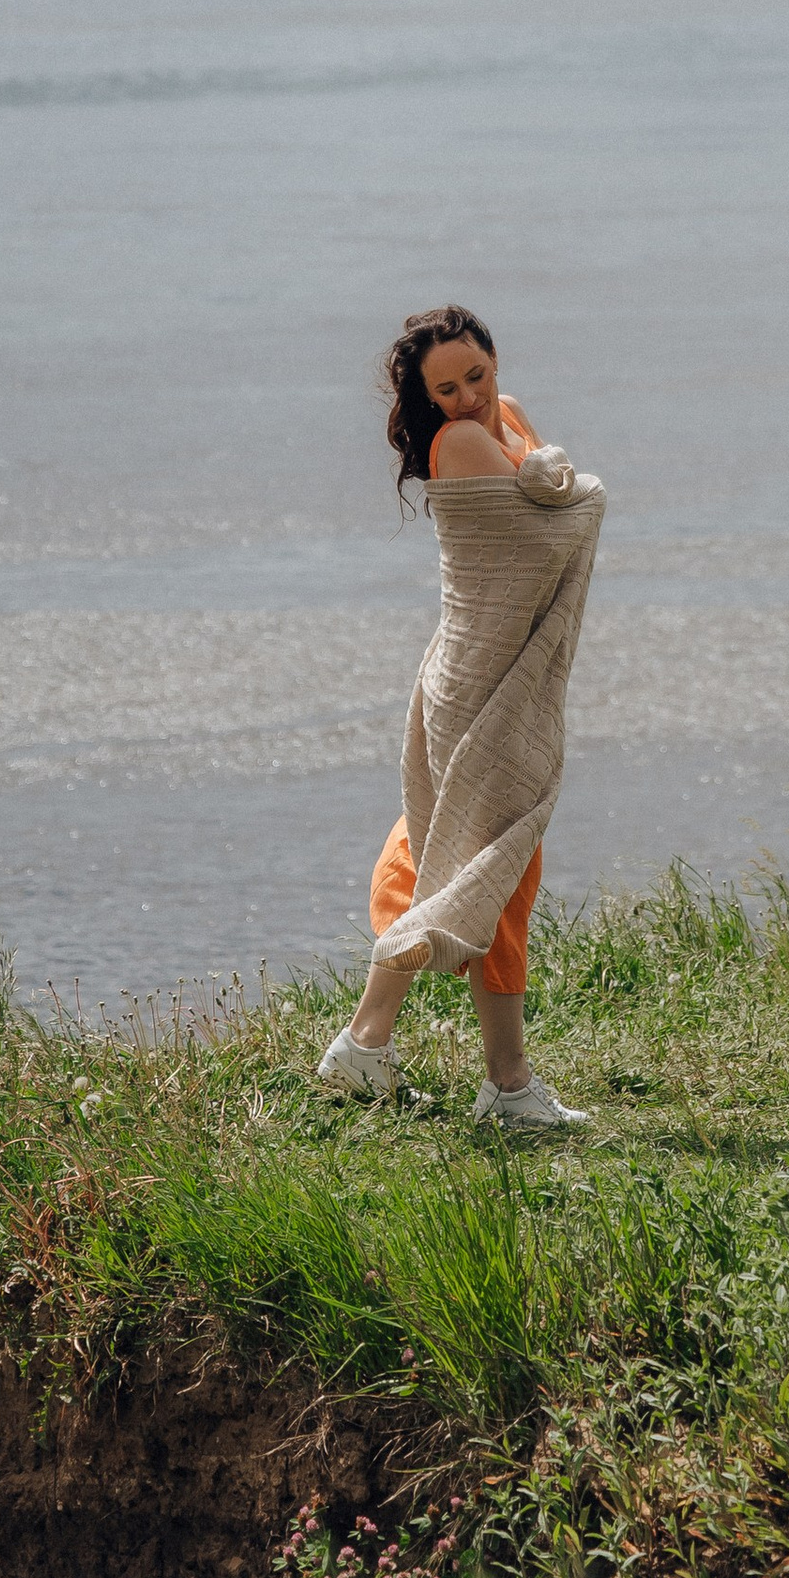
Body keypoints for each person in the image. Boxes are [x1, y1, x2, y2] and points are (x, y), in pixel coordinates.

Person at [317, 304, 600, 1131]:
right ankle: (508, 1089)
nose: (470, 395)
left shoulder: (499, 416)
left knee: (436, 849)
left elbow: (553, 497)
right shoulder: (466, 442)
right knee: (499, 869)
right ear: (428, 397)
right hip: (480, 683)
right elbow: (556, 526)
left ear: (493, 355)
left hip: (479, 671)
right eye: (447, 388)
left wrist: (556, 485)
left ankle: (364, 1045)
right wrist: (562, 483)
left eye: (477, 374)